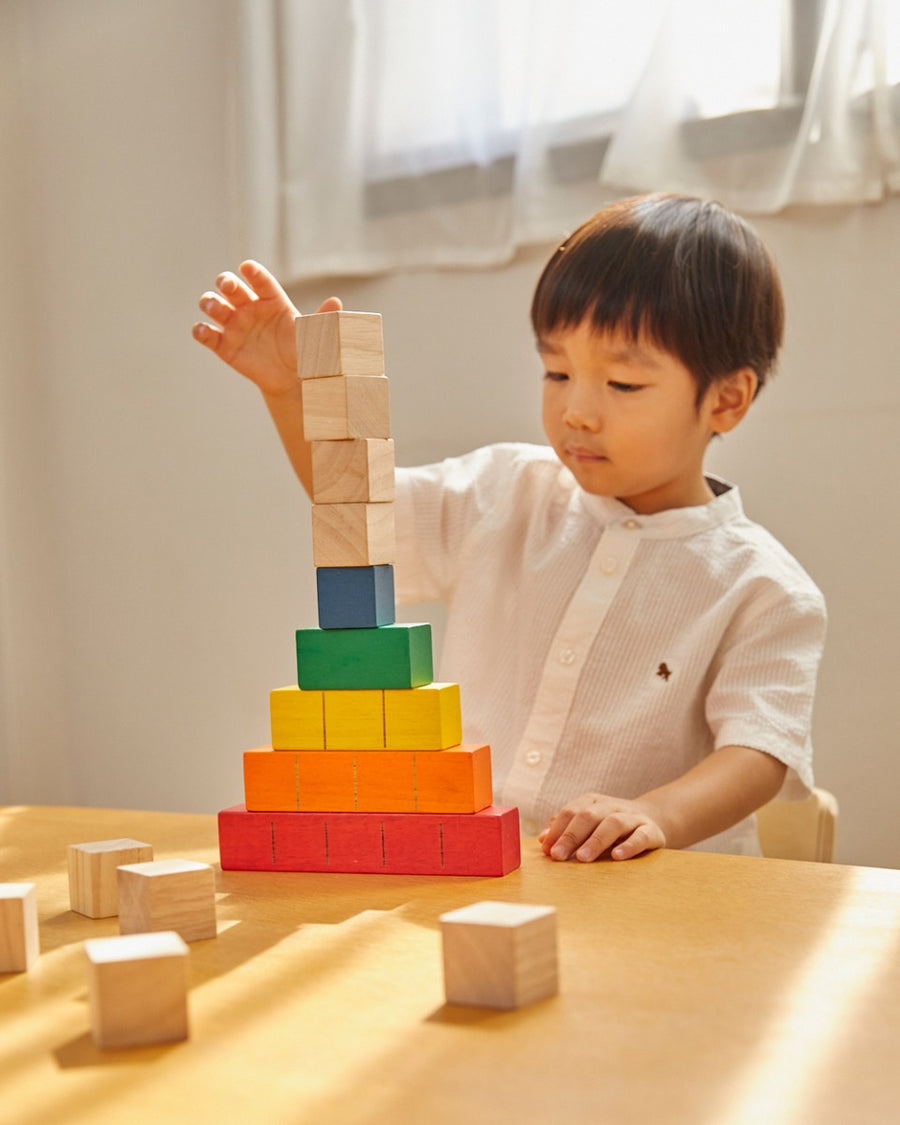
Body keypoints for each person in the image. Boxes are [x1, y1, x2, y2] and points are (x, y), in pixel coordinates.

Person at [192, 192, 826, 863]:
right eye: (557, 371)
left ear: (726, 399)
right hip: (477, 869)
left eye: (623, 384)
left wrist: (654, 813)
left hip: (650, 896)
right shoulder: (502, 492)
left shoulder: (765, 589)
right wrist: (293, 394)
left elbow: (760, 750)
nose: (576, 410)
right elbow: (361, 511)